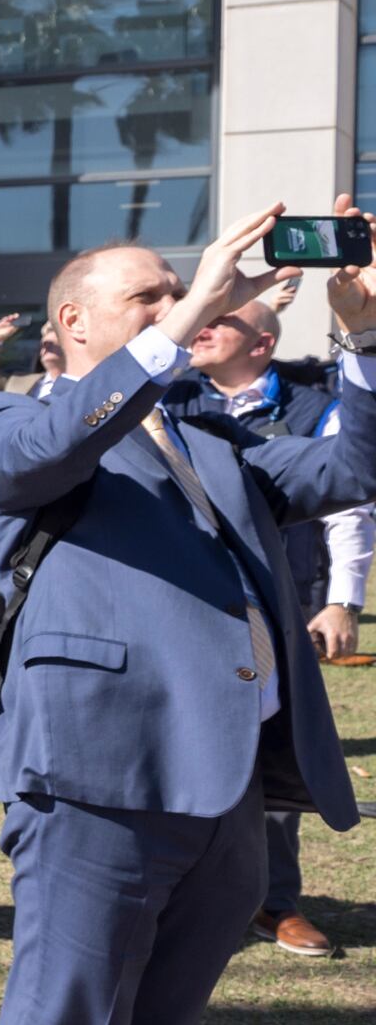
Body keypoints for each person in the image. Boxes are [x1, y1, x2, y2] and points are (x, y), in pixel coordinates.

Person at [0, 208, 376, 1025]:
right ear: (70, 324)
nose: (176, 307)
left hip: (222, 780)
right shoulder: (17, 417)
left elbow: (351, 469)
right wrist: (190, 312)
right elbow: (32, 459)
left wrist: (358, 342)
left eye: (173, 294)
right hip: (94, 775)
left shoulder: (206, 430)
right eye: (143, 295)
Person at [183, 297, 351, 965]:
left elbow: (349, 500)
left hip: (275, 604)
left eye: (223, 320)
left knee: (270, 745)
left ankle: (275, 900)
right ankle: (192, 894)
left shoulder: (310, 403)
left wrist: (343, 599)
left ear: (261, 341)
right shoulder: (173, 393)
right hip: (190, 602)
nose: (202, 326)